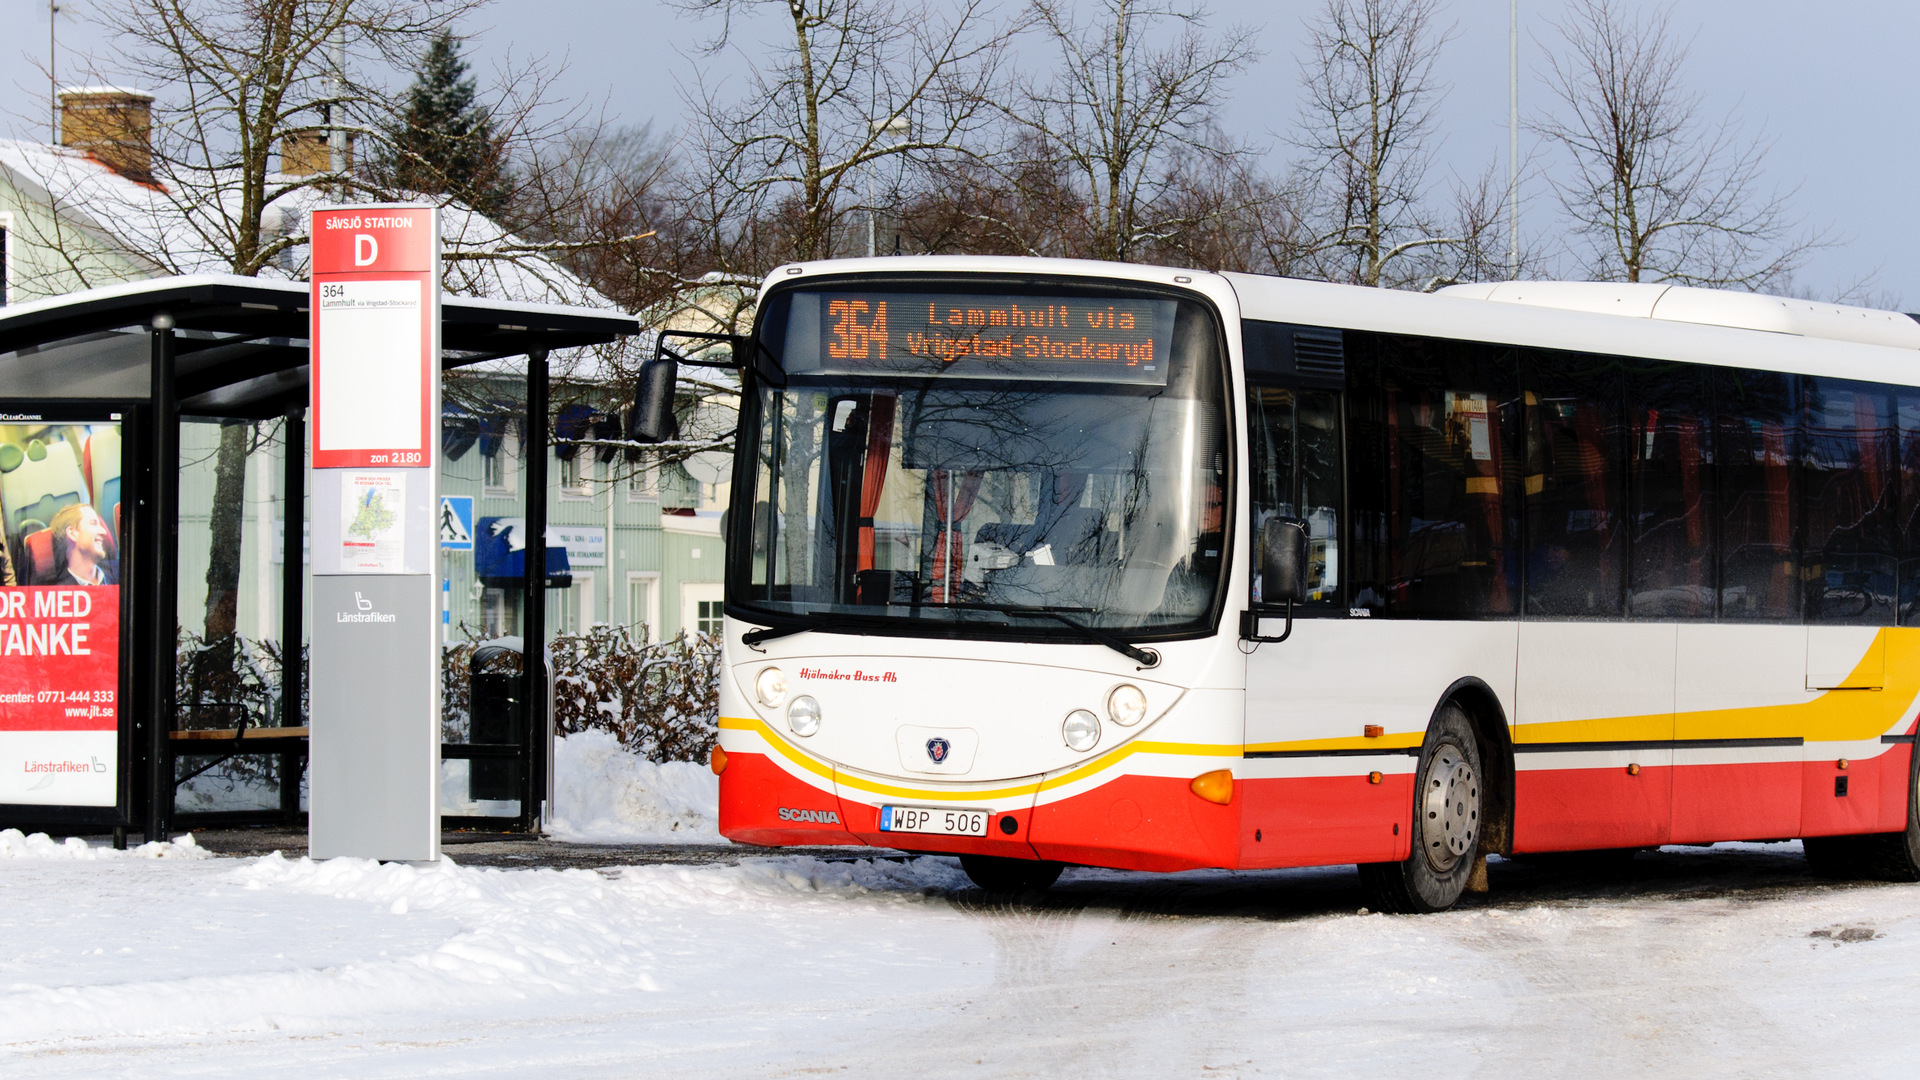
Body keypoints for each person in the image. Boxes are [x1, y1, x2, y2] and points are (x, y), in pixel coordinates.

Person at [46, 504, 117, 585]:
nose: (104, 532)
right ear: (72, 534)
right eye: (93, 523)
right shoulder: (60, 594)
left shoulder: (120, 575)